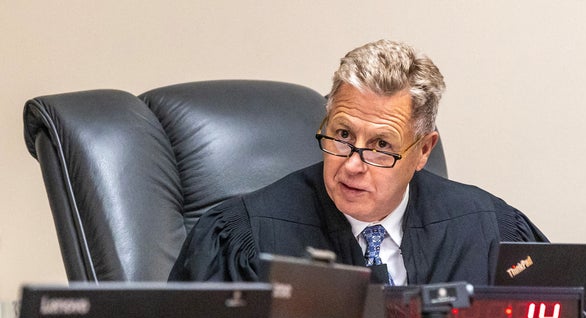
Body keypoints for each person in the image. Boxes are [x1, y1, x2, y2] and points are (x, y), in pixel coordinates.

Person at [169, 39, 547, 285]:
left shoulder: (488, 230)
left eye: (382, 145)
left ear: (423, 151)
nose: (351, 164)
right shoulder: (246, 238)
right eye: (343, 135)